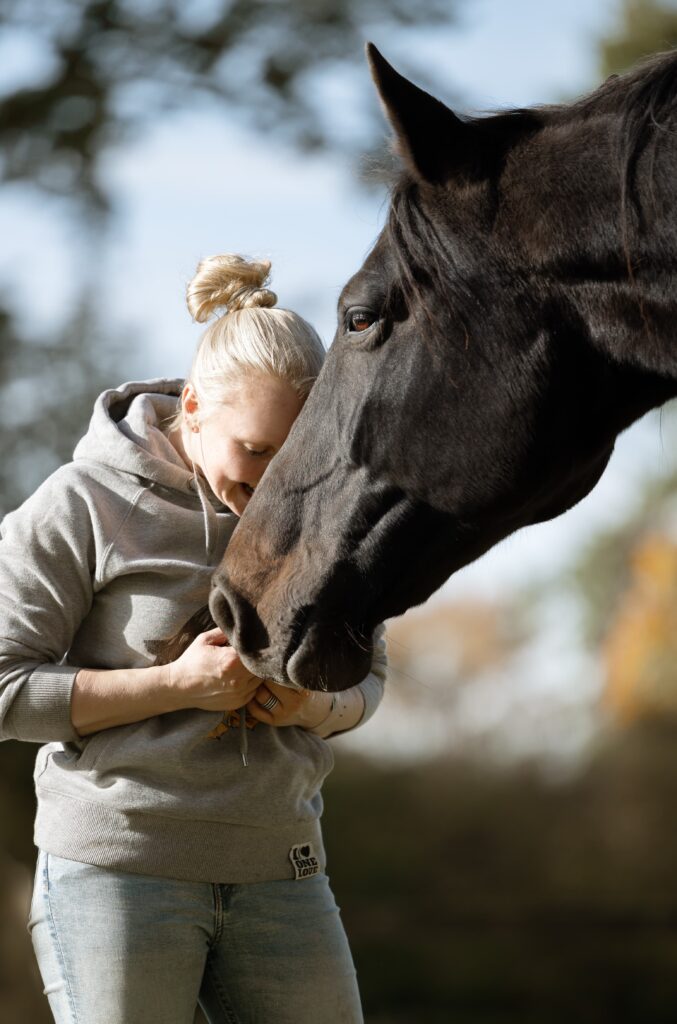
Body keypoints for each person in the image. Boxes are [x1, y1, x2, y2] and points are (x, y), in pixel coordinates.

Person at [0, 254, 387, 1024]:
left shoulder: (325, 518)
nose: (277, 481)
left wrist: (307, 707)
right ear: (196, 405)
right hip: (115, 872)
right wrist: (170, 686)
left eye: (298, 455)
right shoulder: (82, 503)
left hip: (284, 868)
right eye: (255, 450)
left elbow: (366, 681)